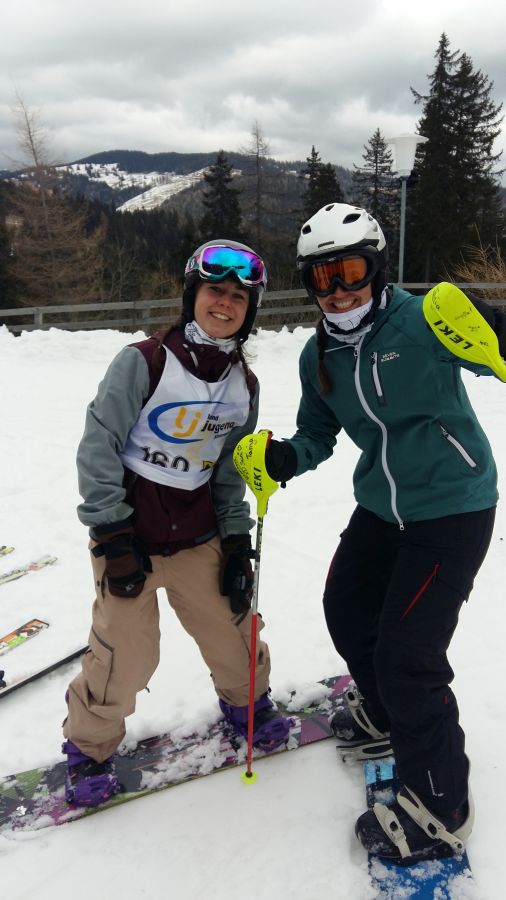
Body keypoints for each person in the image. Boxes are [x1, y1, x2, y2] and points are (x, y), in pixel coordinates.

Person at [241, 203, 506, 865]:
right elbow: (316, 433)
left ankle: (441, 808)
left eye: (351, 271)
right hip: (383, 510)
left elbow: (494, 352)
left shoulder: (425, 321)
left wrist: (498, 332)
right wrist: (285, 458)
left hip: (452, 508)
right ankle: (386, 715)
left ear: (377, 267)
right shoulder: (319, 354)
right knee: (347, 610)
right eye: (321, 277)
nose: (337, 290)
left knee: (408, 657)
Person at [62, 239, 291, 808]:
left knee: (233, 630)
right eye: (215, 290)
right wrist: (112, 534)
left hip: (198, 537)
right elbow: (98, 446)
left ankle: (248, 707)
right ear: (193, 295)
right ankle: (89, 750)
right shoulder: (144, 362)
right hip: (129, 539)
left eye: (239, 297)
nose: (225, 303)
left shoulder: (244, 386)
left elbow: (229, 472)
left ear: (250, 311)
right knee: (124, 656)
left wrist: (235, 540)